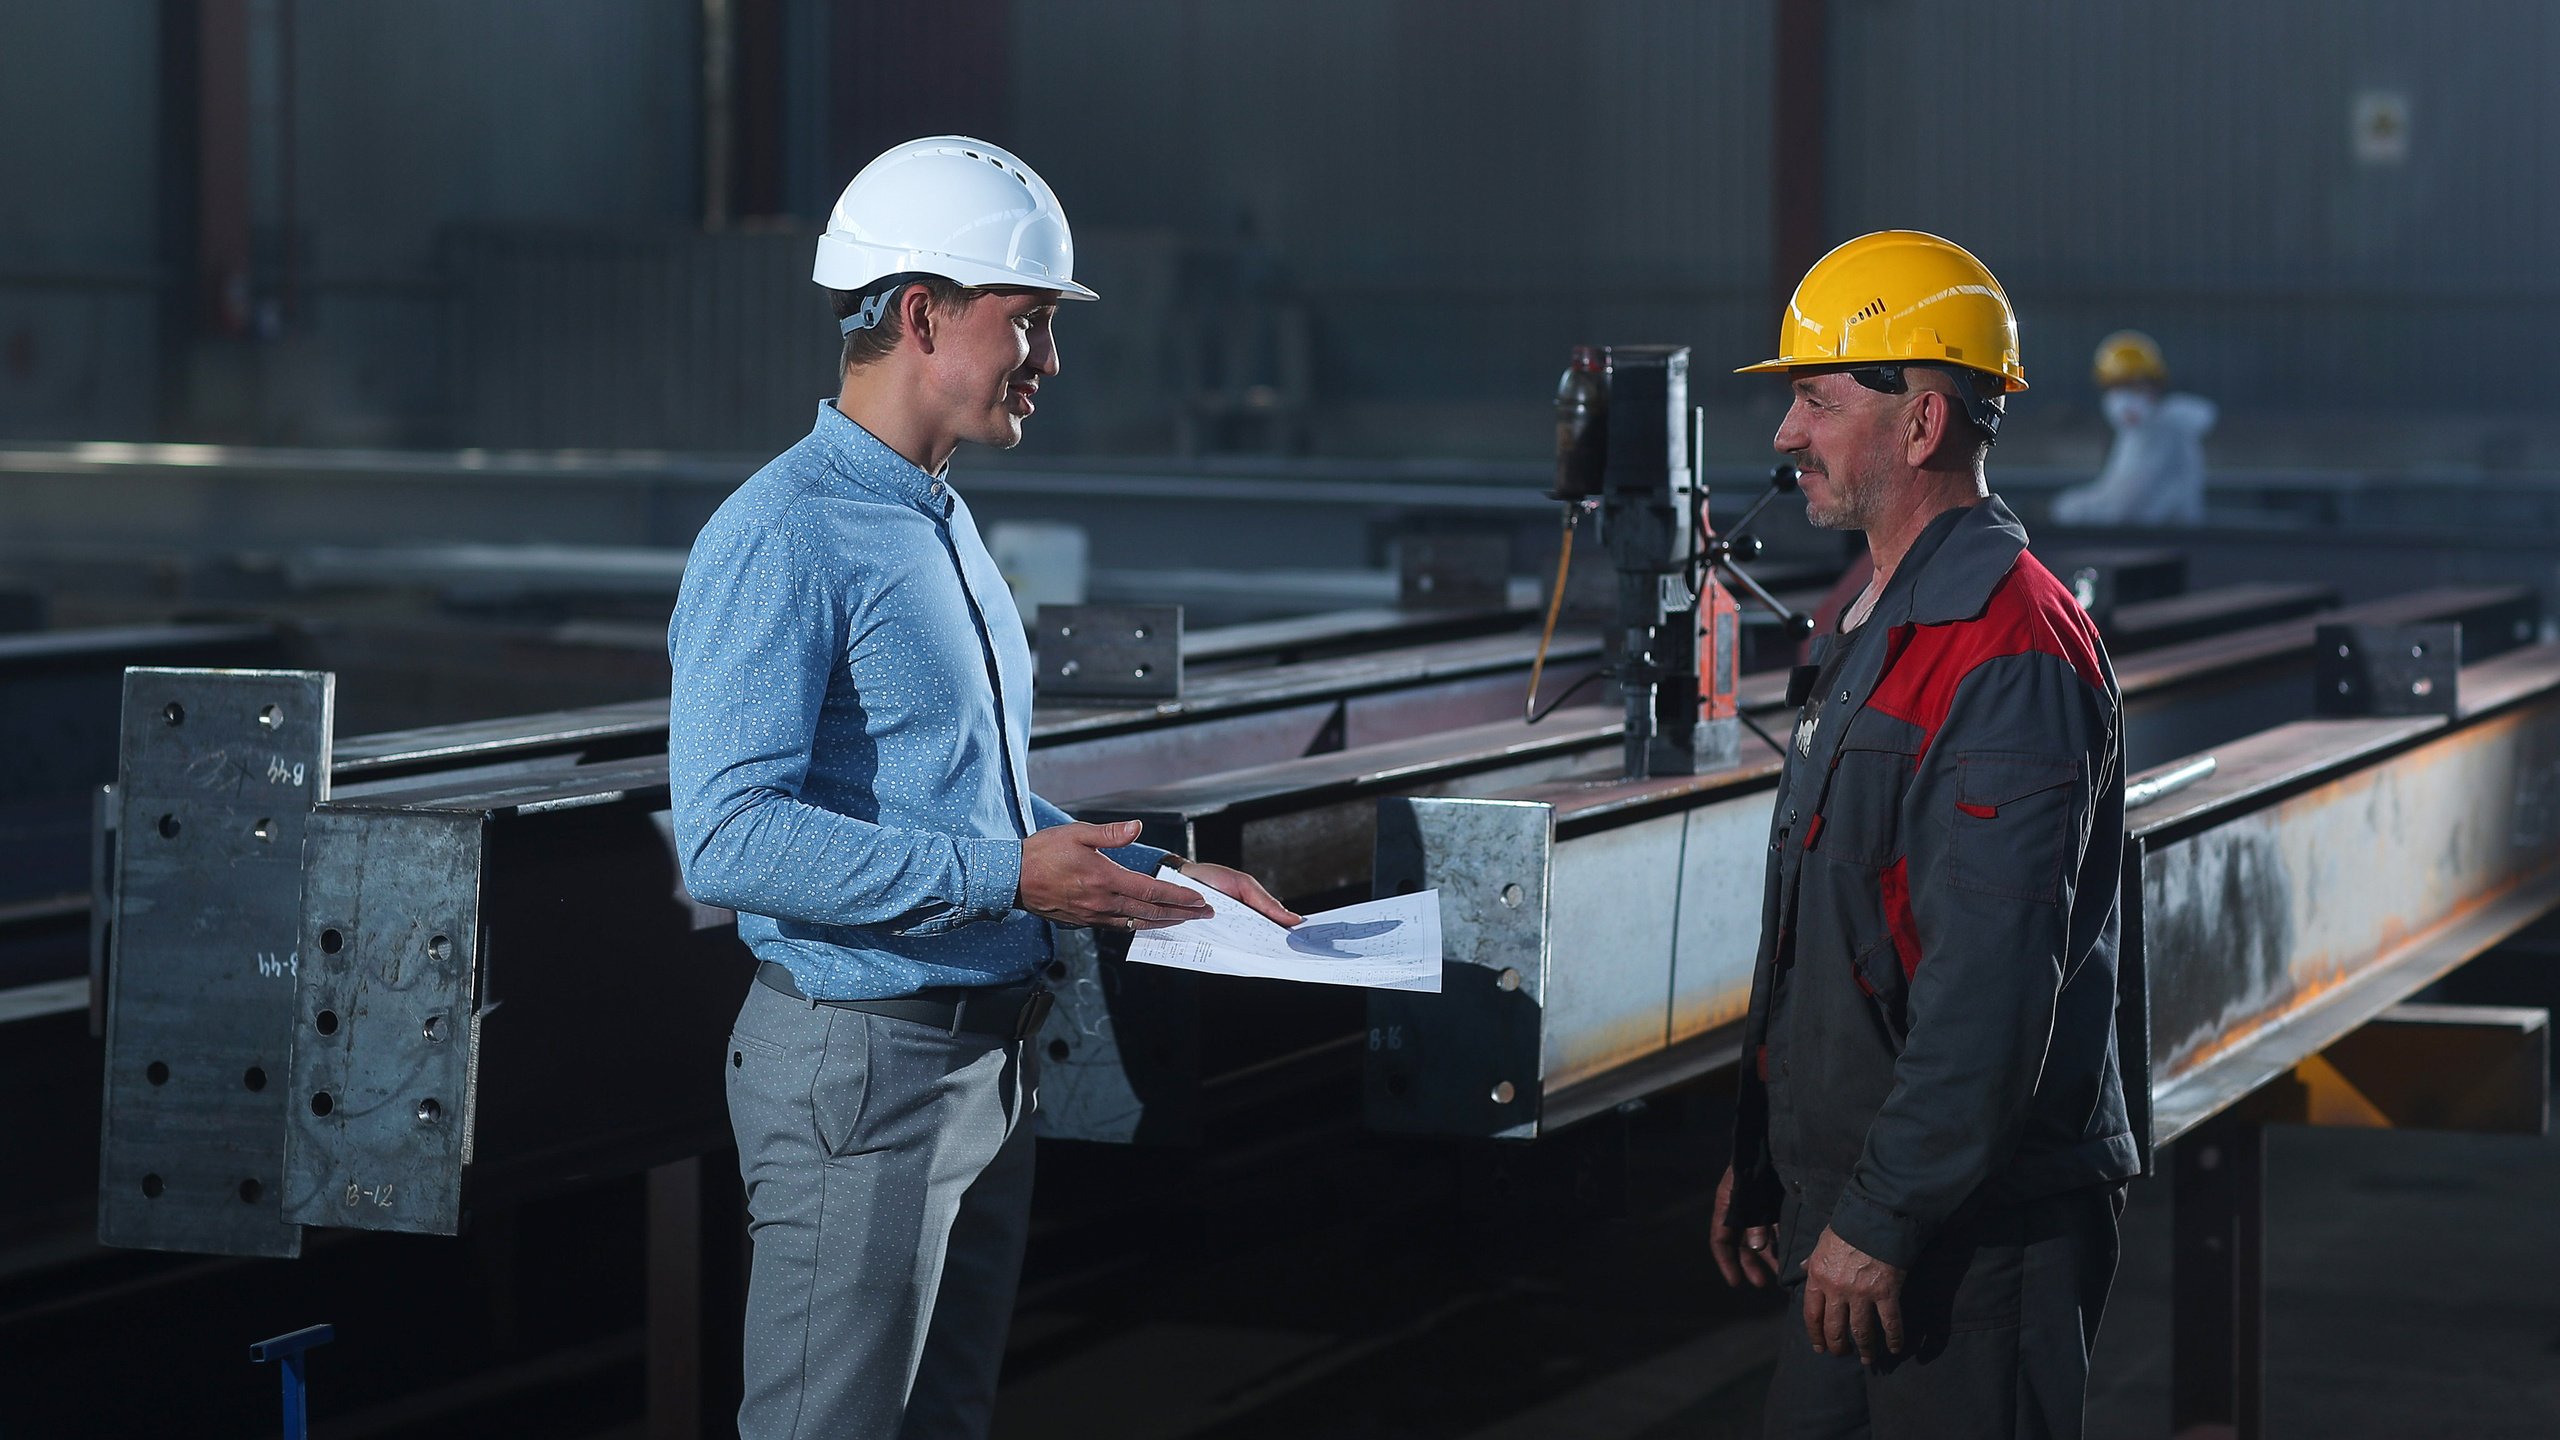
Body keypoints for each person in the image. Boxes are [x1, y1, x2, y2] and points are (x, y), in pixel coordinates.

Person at [667, 136, 1299, 1440]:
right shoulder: (781, 535)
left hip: (981, 1070)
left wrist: (1164, 881)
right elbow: (726, 838)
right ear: (922, 314)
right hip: (862, 1076)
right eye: (1031, 322)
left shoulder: (934, 518)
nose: (1050, 362)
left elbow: (971, 795)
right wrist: (1007, 879)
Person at [1718, 231, 2137, 1439]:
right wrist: (1772, 1168)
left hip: (1966, 1235)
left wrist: (1884, 1217)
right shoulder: (1873, 620)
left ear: (1922, 424)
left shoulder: (2007, 645)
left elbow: (1990, 983)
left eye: (1816, 399)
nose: (1787, 434)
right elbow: (1829, 928)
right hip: (1852, 1210)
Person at [2049, 329, 2216, 527]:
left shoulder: (2160, 434)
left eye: (2133, 385)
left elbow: (2122, 509)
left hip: (2161, 546)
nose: (2123, 398)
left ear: (2155, 385)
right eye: (2115, 387)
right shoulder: (2140, 433)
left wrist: (2065, 508)